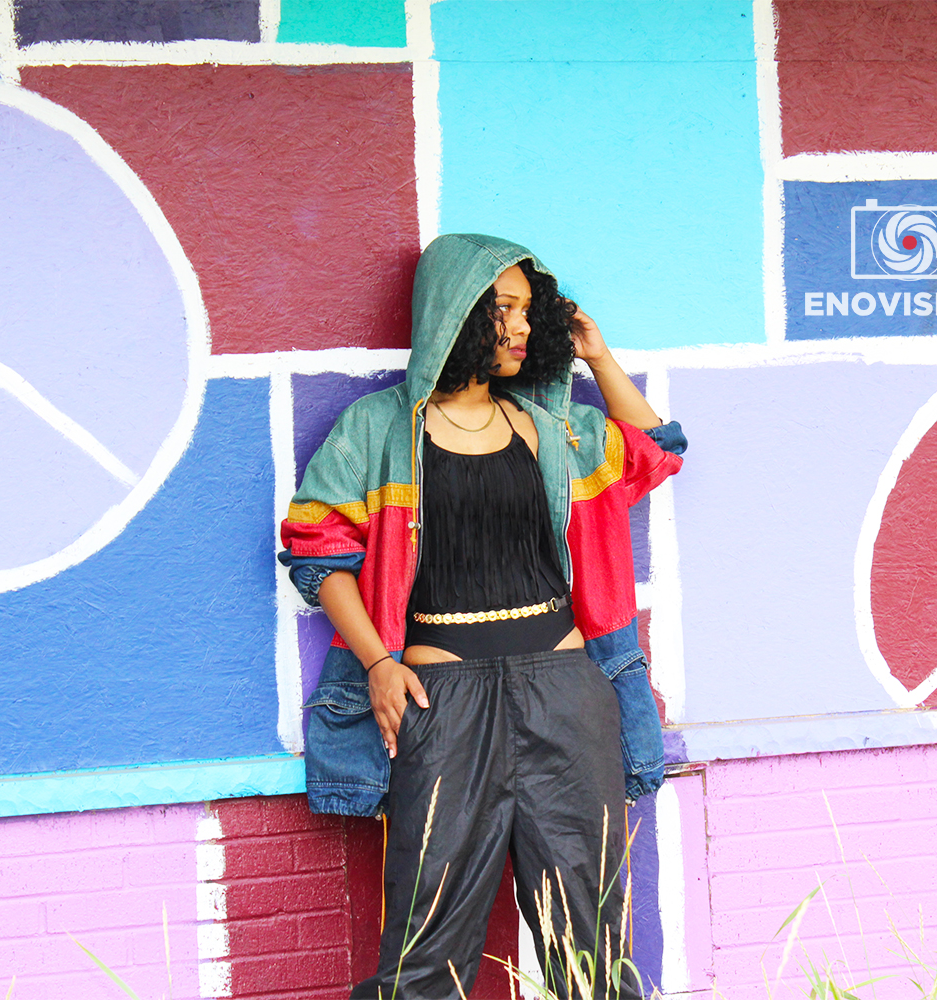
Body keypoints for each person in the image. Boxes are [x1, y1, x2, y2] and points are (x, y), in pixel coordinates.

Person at [279, 234, 686, 999]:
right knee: (426, 943)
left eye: (531, 311)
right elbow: (318, 552)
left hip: (565, 695)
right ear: (455, 311)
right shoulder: (378, 428)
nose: (522, 326)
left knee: (590, 942)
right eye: (505, 308)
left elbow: (654, 451)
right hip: (442, 700)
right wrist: (378, 663)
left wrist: (597, 357)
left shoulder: (551, 427)